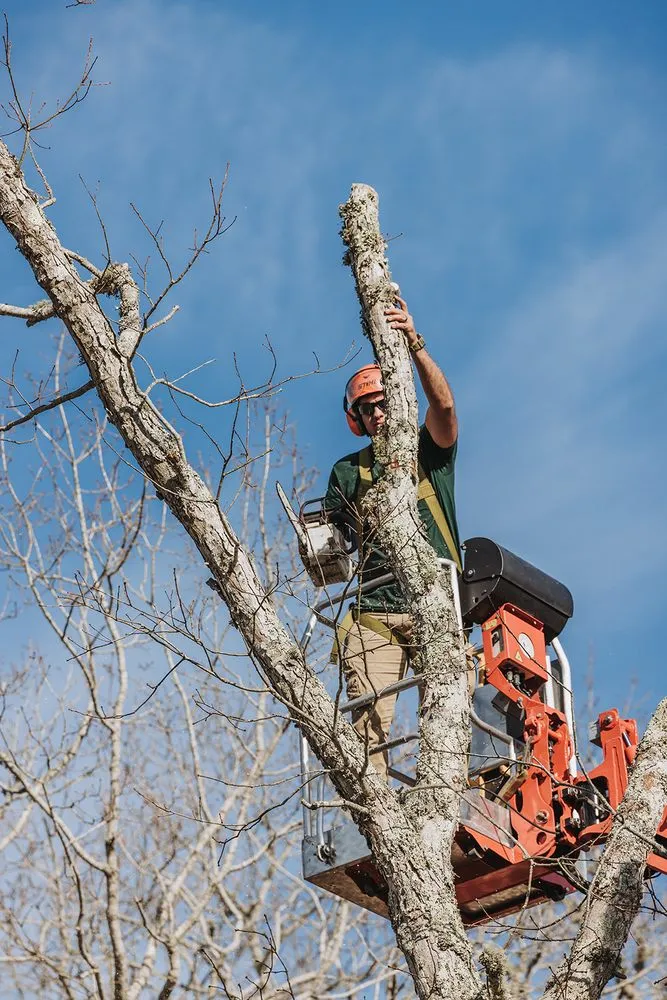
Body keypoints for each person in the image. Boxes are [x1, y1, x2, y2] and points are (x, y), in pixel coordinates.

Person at [325, 297, 461, 781]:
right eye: (368, 408)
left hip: (436, 602)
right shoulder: (348, 471)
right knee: (366, 727)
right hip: (374, 611)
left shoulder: (430, 450)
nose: (379, 413)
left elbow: (443, 405)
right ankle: (376, 809)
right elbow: (333, 545)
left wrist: (414, 345)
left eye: (384, 402)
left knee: (450, 720)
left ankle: (446, 792)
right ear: (356, 418)